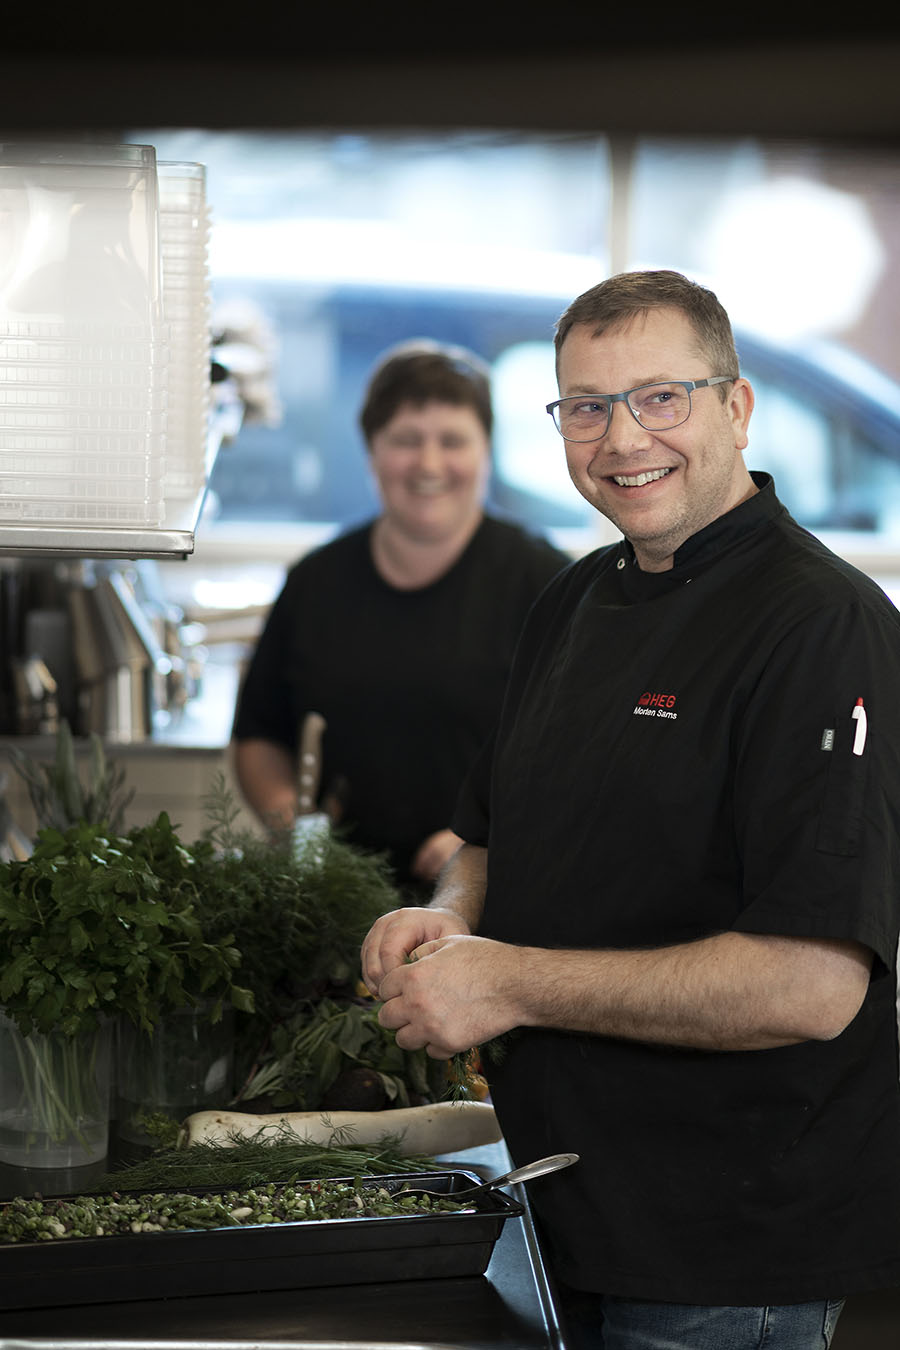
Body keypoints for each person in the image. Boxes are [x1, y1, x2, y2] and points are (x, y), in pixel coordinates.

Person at [360, 271, 900, 1349]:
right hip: (561, 1202)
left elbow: (809, 985)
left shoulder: (822, 626)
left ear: (735, 407)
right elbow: (490, 836)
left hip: (722, 1246)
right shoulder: (573, 598)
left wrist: (504, 982)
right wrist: (452, 919)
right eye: (587, 407)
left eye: (661, 397)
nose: (622, 439)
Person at [232, 338, 569, 893]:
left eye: (452, 441)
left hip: (492, 900)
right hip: (337, 897)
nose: (429, 463)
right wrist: (296, 829)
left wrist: (486, 837)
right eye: (407, 440)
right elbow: (260, 736)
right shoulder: (316, 581)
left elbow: (581, 756)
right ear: (372, 451)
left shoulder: (547, 584)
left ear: (486, 451)